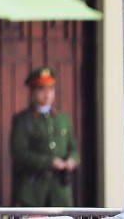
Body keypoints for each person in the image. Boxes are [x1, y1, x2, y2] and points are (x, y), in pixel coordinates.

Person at [10, 65, 81, 207]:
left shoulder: (63, 118)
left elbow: (73, 149)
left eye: (51, 89)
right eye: (41, 89)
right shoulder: (23, 119)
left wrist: (72, 160)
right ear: (32, 91)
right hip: (33, 190)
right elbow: (18, 152)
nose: (47, 93)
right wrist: (49, 162)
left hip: (60, 190)